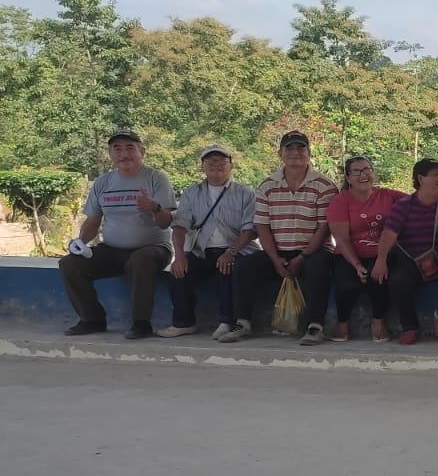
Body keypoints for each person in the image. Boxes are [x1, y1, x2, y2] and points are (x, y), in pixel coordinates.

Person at [219, 131, 337, 345]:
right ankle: (242, 323)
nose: (295, 153)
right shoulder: (267, 186)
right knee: (245, 266)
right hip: (278, 251)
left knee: (318, 267)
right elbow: (262, 226)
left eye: (301, 148)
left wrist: (302, 257)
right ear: (280, 153)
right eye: (289, 148)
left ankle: (315, 326)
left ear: (309, 153)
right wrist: (274, 258)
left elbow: (324, 228)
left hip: (313, 250)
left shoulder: (324, 186)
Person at [59, 130, 176, 339]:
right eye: (117, 149)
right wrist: (80, 241)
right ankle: (92, 320)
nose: (124, 154)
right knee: (69, 264)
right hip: (112, 250)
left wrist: (154, 207)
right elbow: (93, 220)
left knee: (141, 259)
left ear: (142, 152)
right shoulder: (102, 183)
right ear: (110, 154)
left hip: (153, 248)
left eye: (130, 148)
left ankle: (141, 323)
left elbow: (166, 222)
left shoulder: (156, 178)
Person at [160, 144, 258, 339]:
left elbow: (250, 230)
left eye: (222, 161)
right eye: (210, 161)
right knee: (179, 272)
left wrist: (231, 252)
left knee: (228, 267)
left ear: (231, 166)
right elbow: (180, 226)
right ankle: (183, 323)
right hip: (202, 250)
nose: (216, 164)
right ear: (202, 166)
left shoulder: (245, 193)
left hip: (236, 249)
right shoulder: (191, 193)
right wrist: (179, 256)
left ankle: (227, 322)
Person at [371, 158, 438, 346]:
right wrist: (381, 260)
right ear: (421, 179)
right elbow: (389, 234)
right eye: (435, 174)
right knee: (397, 281)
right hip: (412, 259)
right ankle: (410, 328)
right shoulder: (404, 205)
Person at [324, 155, 405, 342]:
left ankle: (379, 322)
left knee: (380, 278)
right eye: (357, 172)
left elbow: (418, 200)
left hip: (382, 253)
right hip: (348, 255)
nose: (363, 175)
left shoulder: (388, 195)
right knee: (347, 285)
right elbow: (341, 239)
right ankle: (342, 324)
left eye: (367, 170)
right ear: (348, 177)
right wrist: (356, 265)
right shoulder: (340, 201)